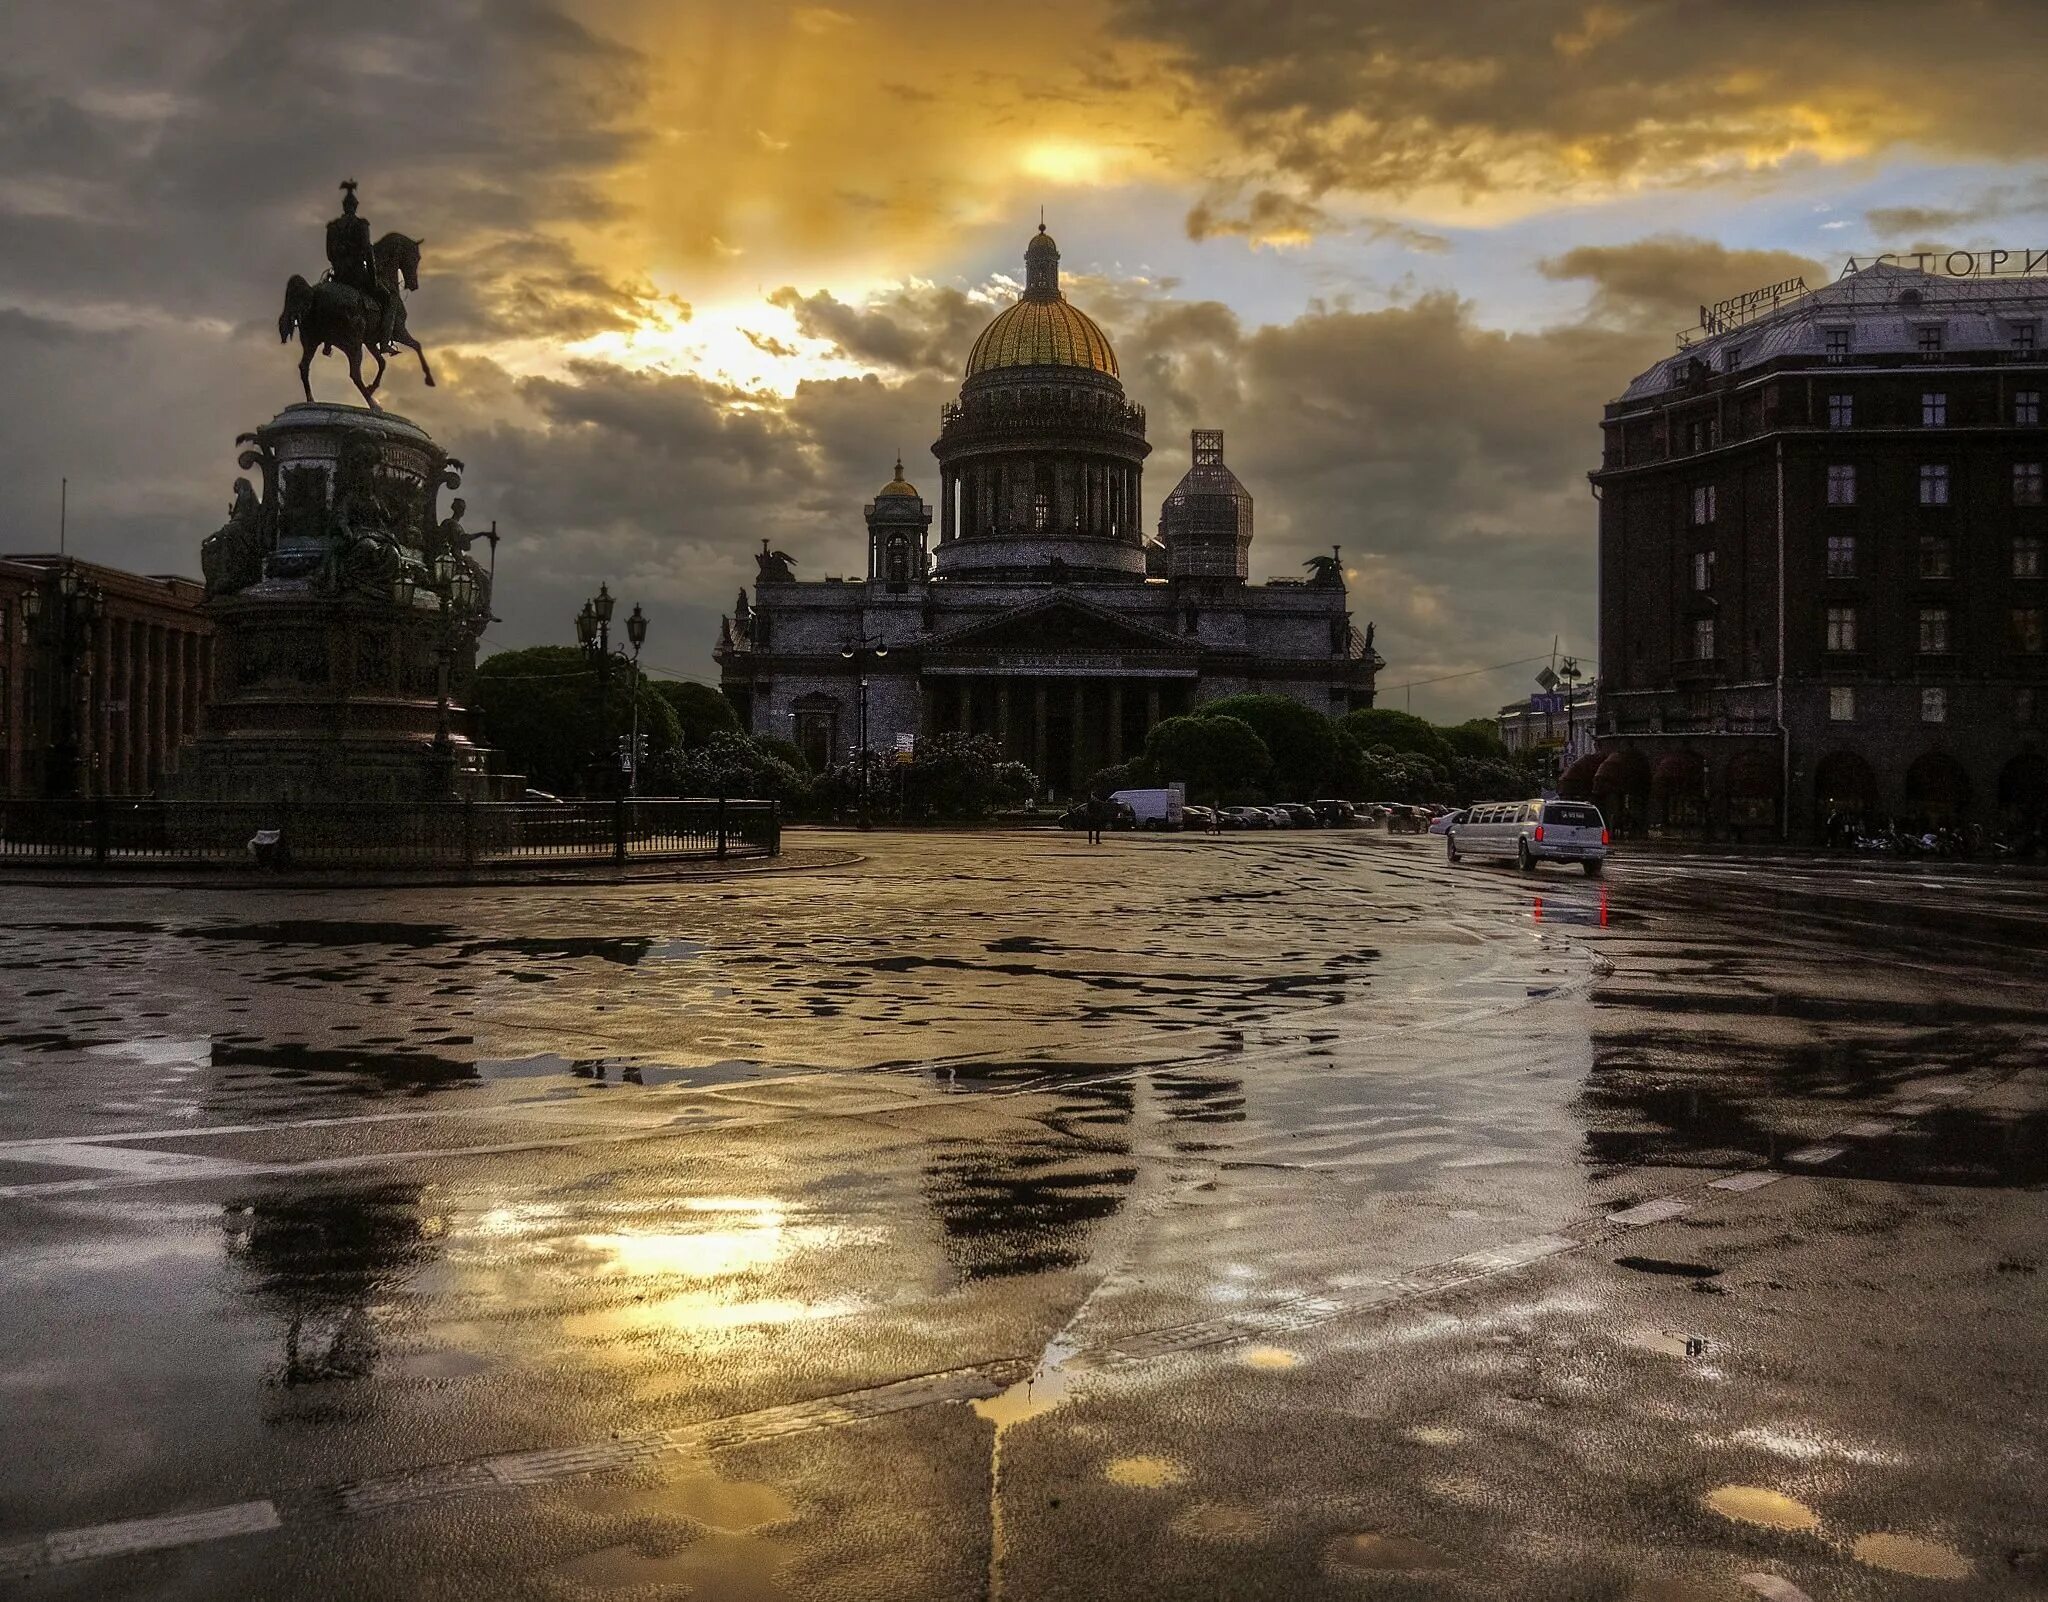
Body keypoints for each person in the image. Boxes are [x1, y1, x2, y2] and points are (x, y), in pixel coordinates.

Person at [326, 179, 392, 348]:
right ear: (355, 206)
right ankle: (384, 341)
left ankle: (327, 340)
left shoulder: (333, 226)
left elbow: (329, 253)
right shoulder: (361, 225)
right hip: (356, 274)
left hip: (338, 274)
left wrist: (339, 263)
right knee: (388, 298)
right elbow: (366, 250)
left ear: (344, 206)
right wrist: (373, 277)